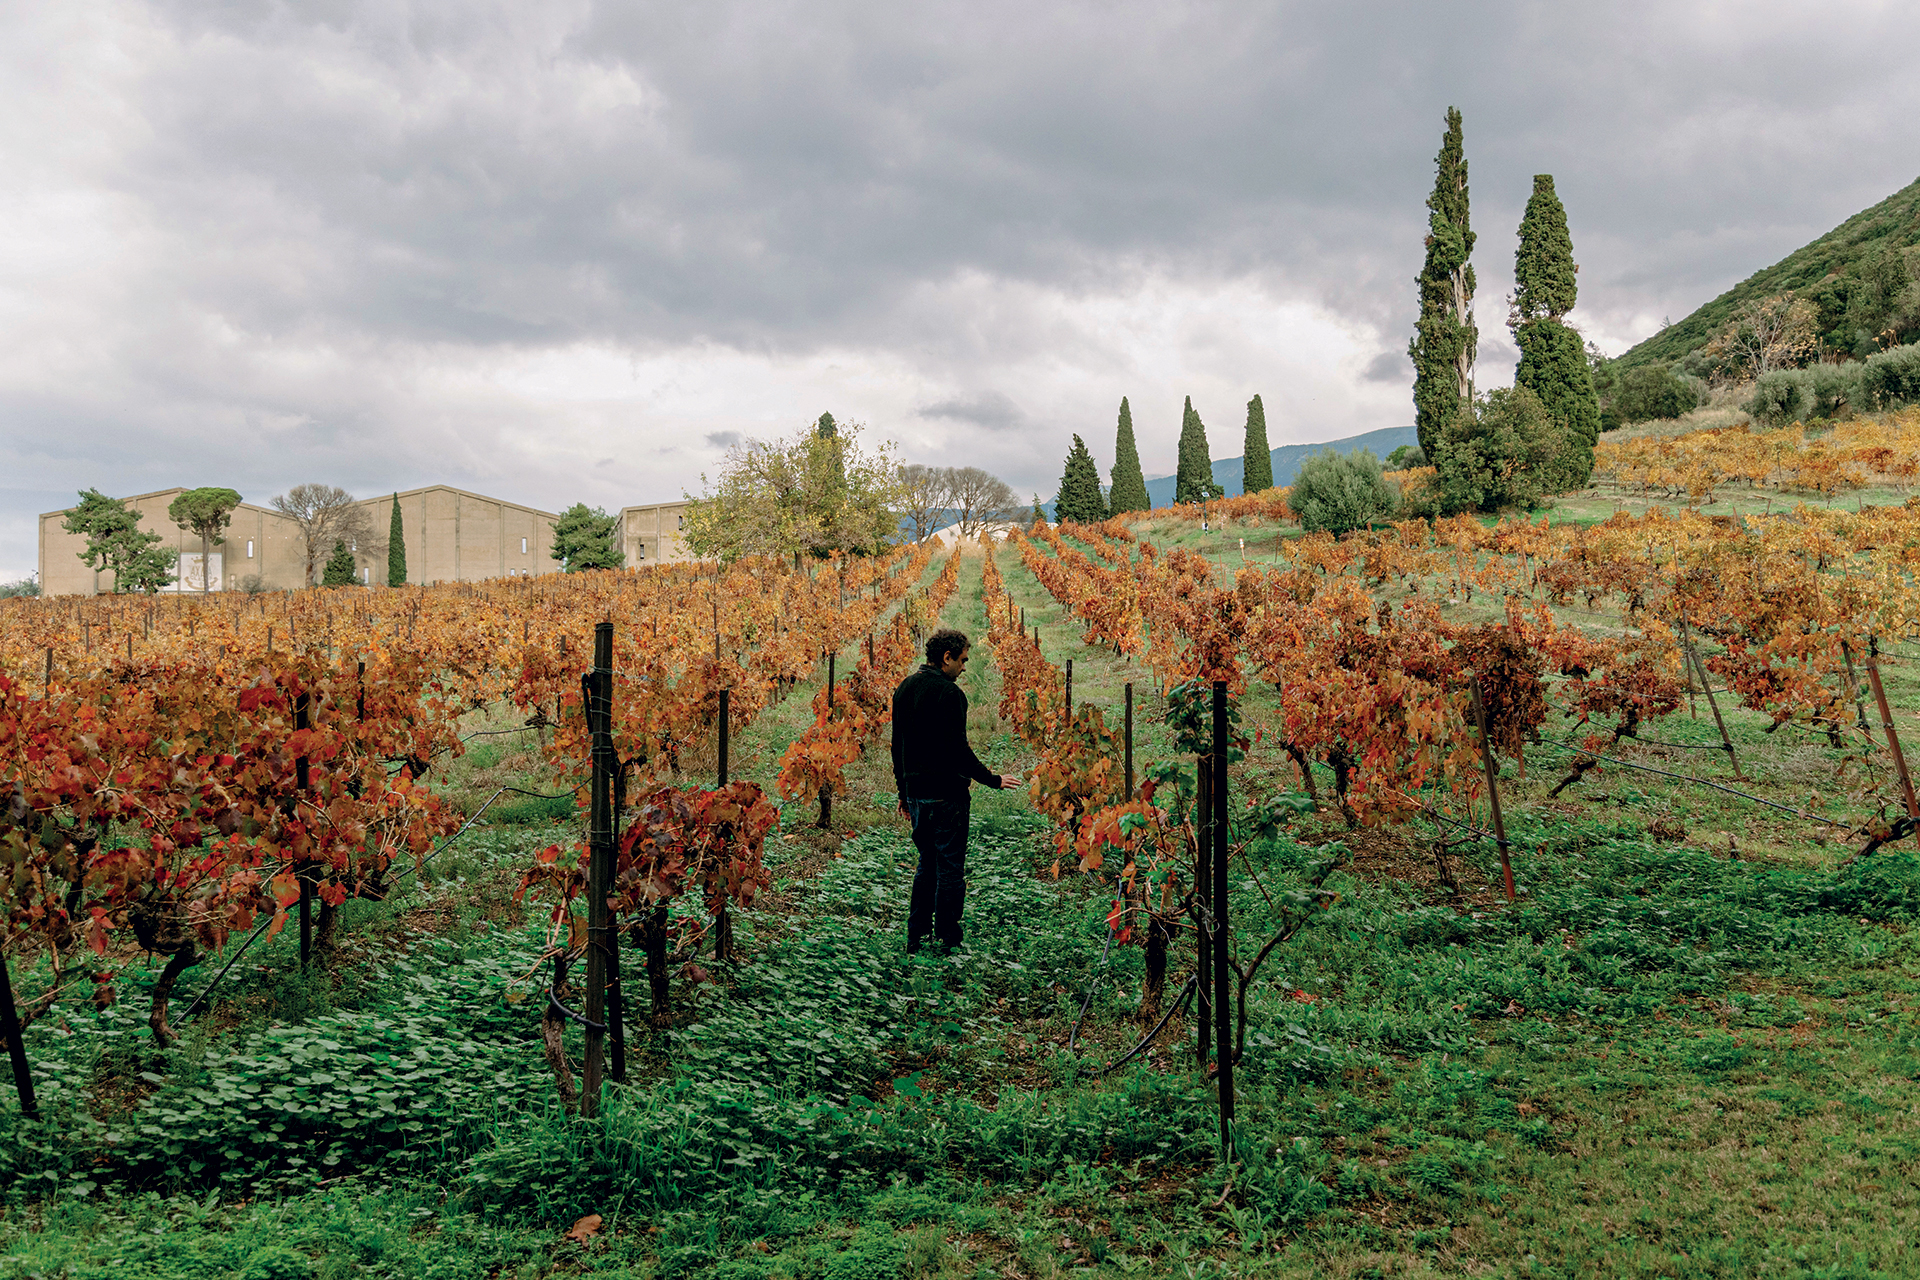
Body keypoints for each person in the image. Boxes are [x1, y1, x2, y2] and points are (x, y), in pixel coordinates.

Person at [891, 628, 1022, 953]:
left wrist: (903, 793)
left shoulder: (905, 688)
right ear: (946, 658)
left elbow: (898, 747)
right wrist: (992, 779)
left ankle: (916, 937)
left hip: (917, 795)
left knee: (926, 864)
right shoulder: (950, 695)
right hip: (947, 797)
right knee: (950, 868)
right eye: (962, 660)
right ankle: (948, 939)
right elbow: (958, 752)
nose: (964, 667)